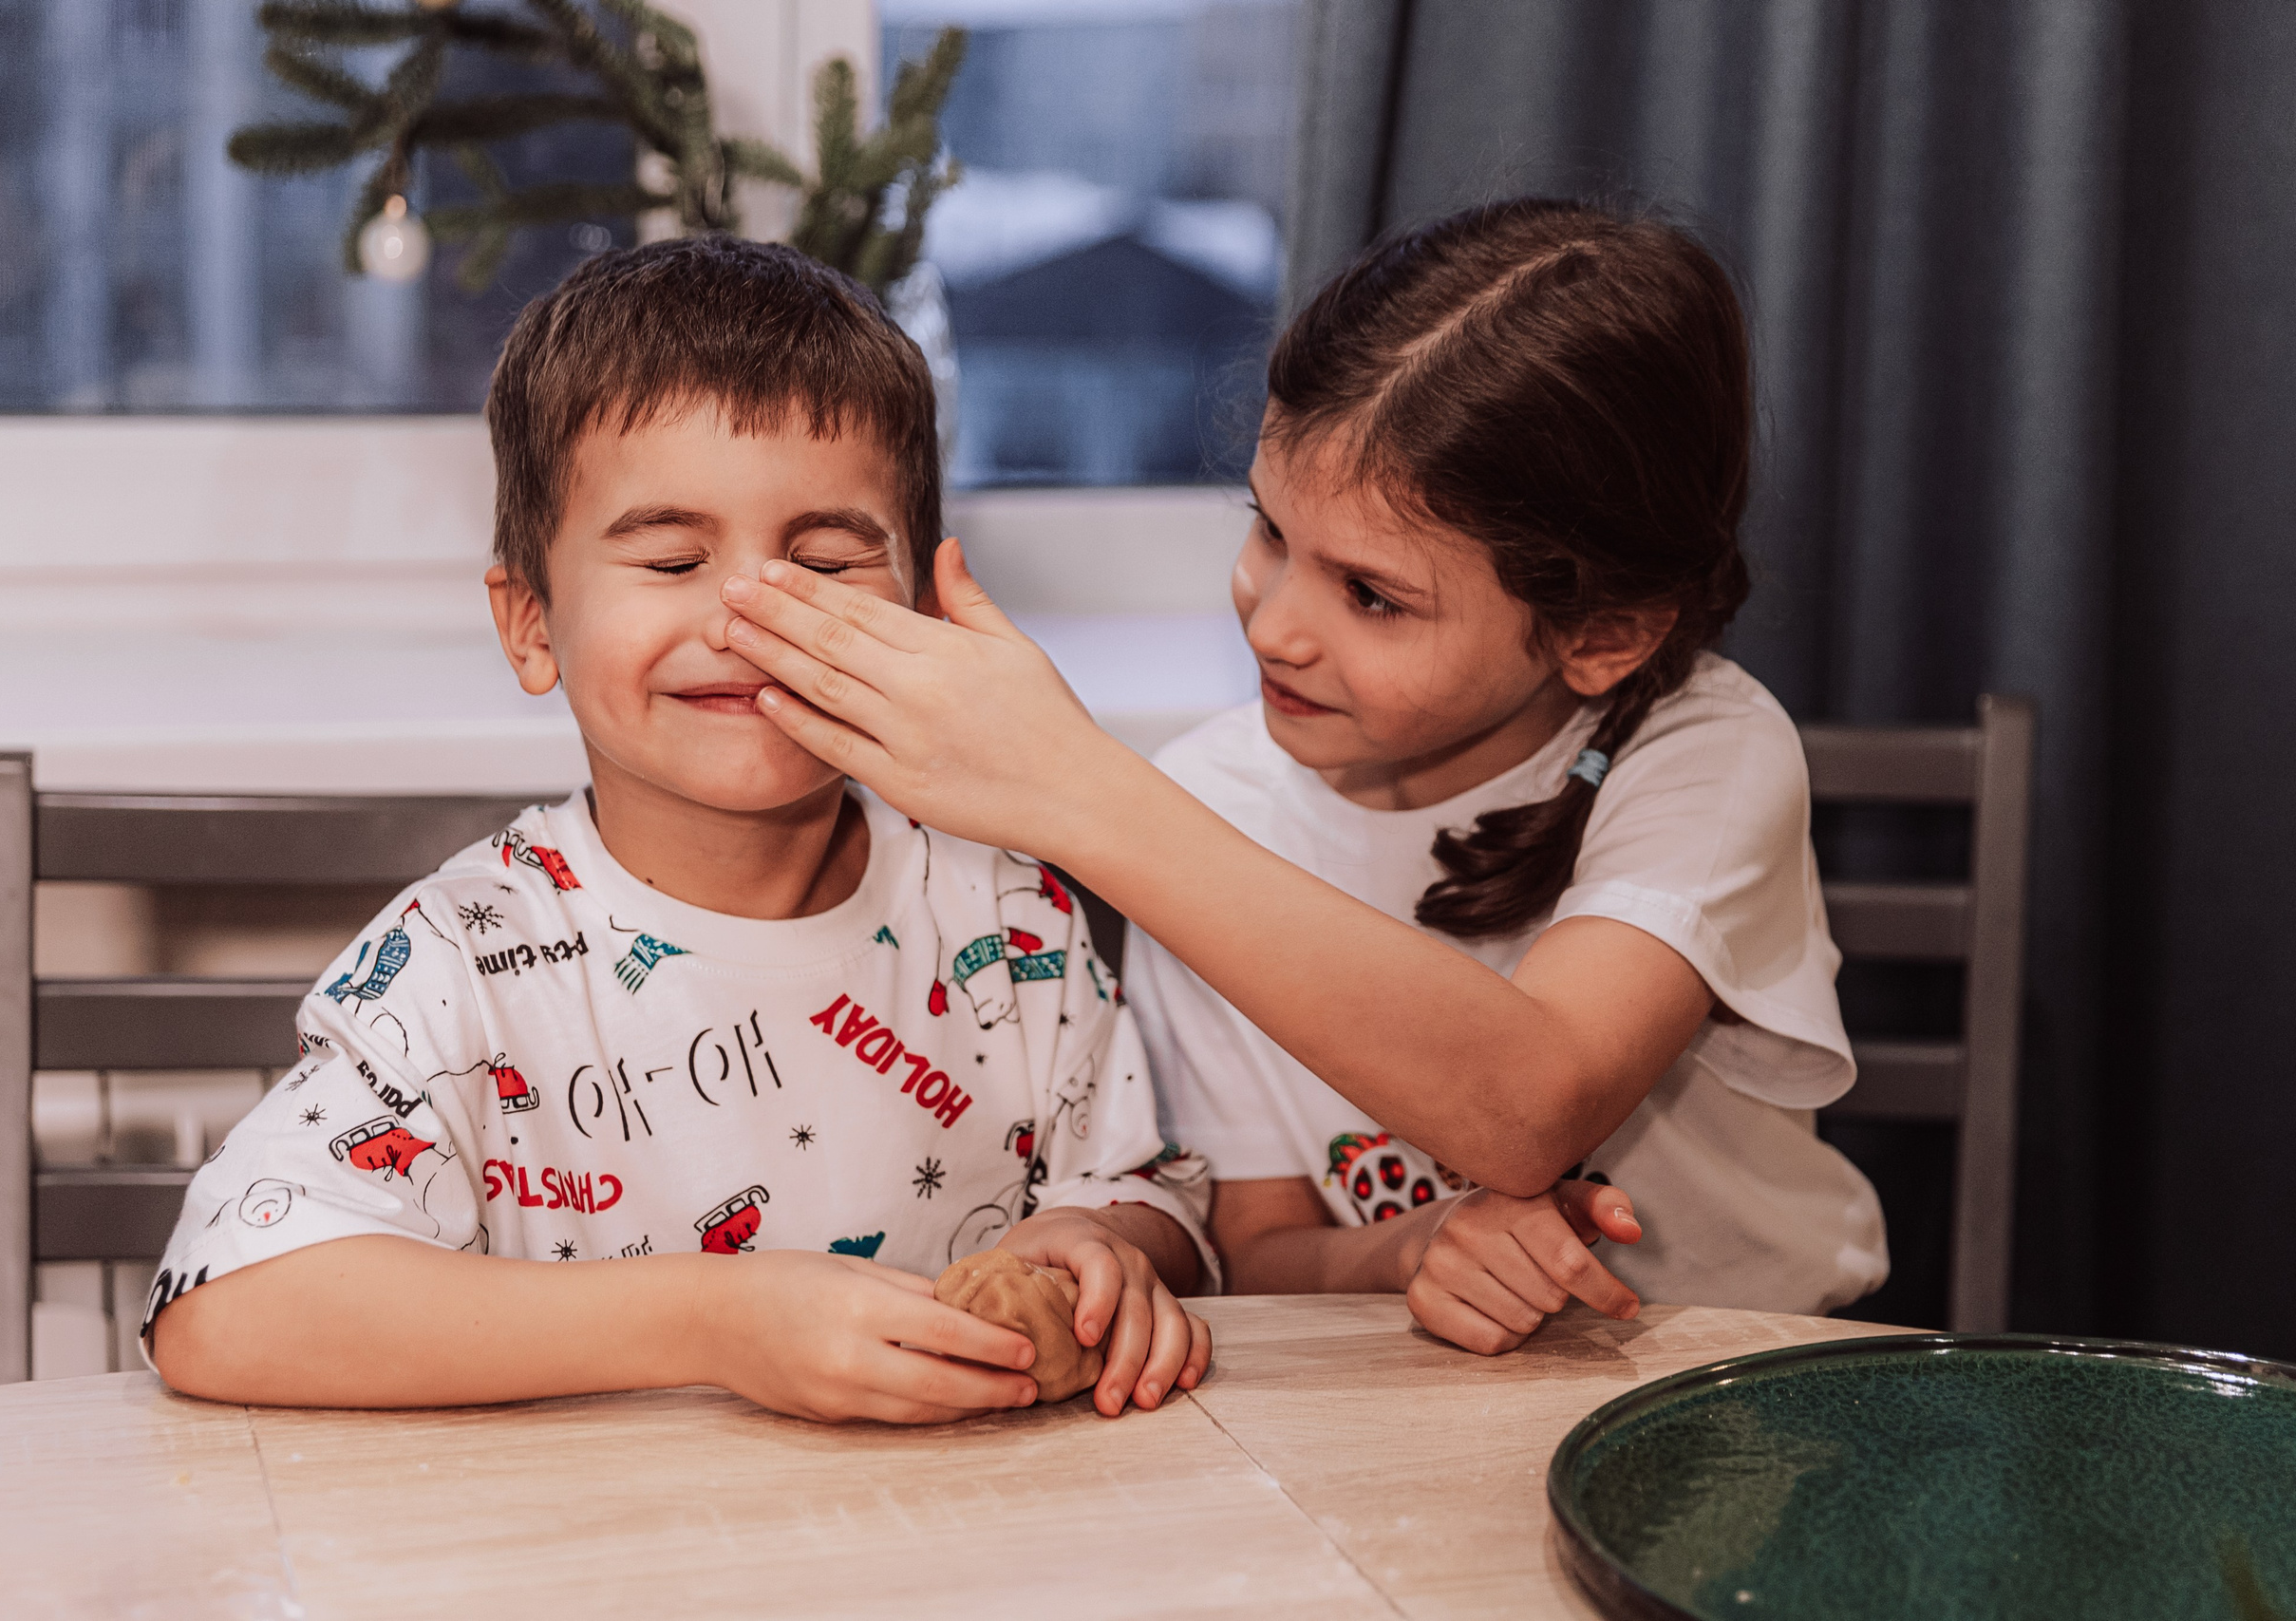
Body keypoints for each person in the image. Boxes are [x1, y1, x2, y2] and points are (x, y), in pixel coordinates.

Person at [711, 199, 1890, 1353]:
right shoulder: (1211, 805)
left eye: (1372, 595)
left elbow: (1534, 1102)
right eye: (1270, 532)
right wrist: (1411, 1252)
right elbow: (1260, 1243)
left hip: (1757, 1367)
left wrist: (1077, 788)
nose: (1275, 625)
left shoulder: (1701, 749)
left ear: (1604, 632)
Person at [147, 237, 1214, 1423]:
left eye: (821, 559)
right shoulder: (459, 964)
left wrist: (1091, 1243)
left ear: (916, 610)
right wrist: (717, 1318)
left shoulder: (1009, 915)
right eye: (671, 556)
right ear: (531, 623)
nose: (749, 616)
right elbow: (225, 1305)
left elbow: (1141, 1186)